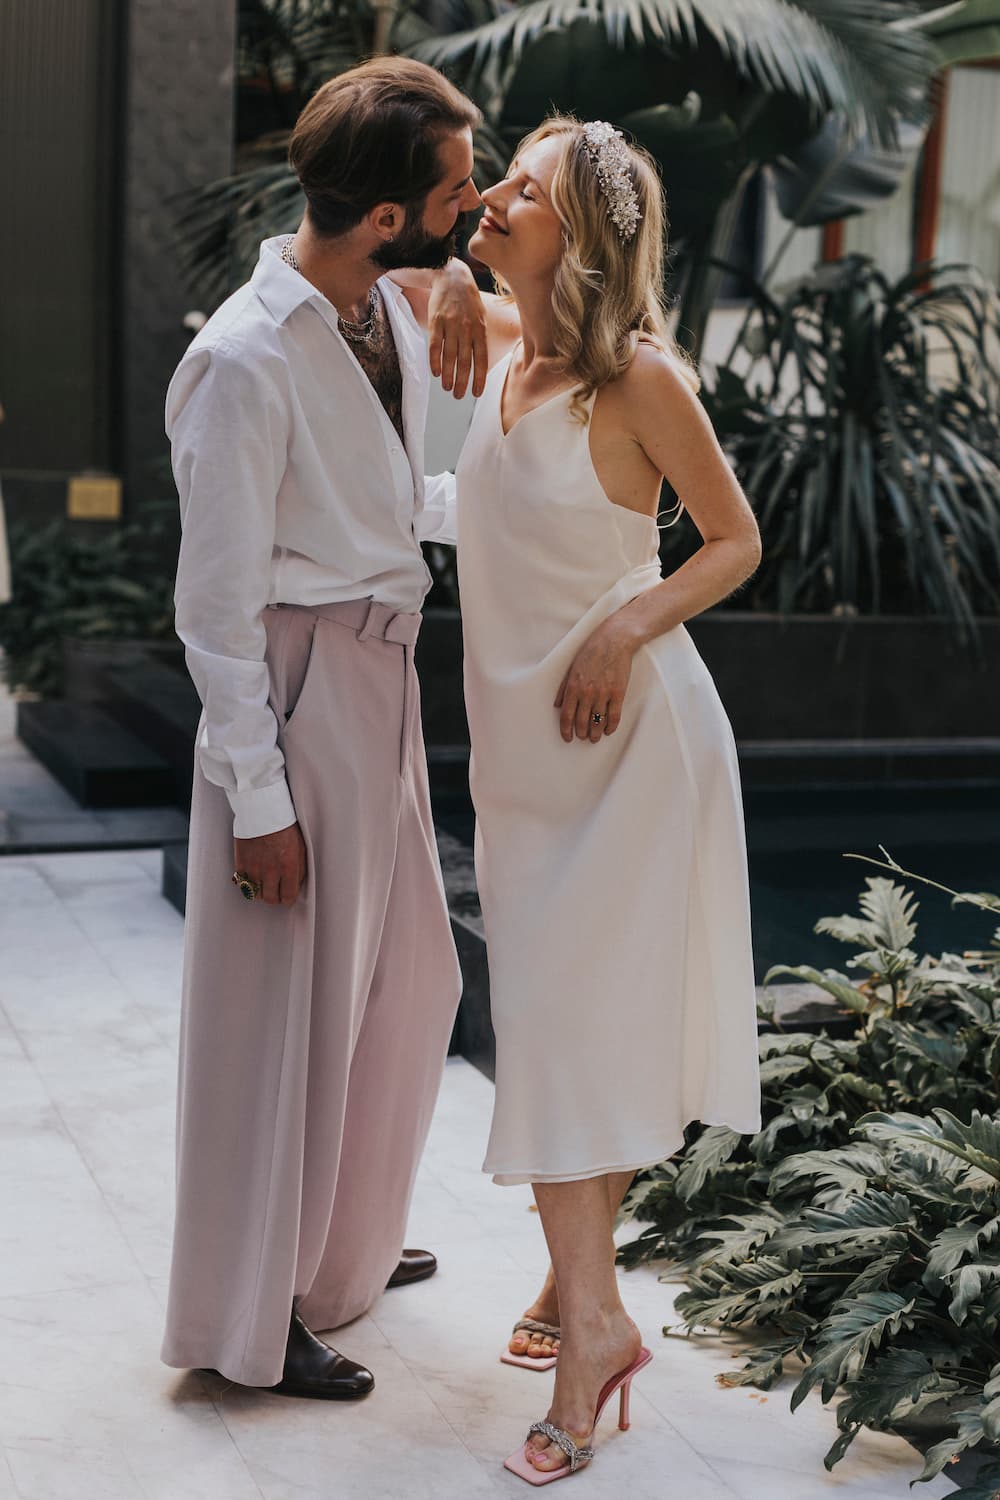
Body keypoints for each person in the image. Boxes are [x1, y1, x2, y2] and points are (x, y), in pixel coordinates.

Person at [161, 57, 487, 1399]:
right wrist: (259, 801)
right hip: (296, 690)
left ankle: (341, 1247)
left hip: (380, 678)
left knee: (410, 982)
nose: (475, 205)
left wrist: (545, 509)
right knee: (273, 1023)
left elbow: (391, 496)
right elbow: (213, 611)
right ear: (388, 215)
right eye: (458, 191)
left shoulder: (380, 306)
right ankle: (250, 1314)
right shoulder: (243, 360)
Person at [457, 117, 763, 1480]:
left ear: (576, 234)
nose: (491, 197)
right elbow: (412, 285)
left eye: (520, 190)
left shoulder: (638, 380)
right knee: (551, 1021)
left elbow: (735, 539)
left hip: (631, 742)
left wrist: (628, 626)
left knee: (564, 1029)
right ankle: (575, 1283)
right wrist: (433, 284)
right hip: (522, 762)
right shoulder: (493, 342)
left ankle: (594, 1330)